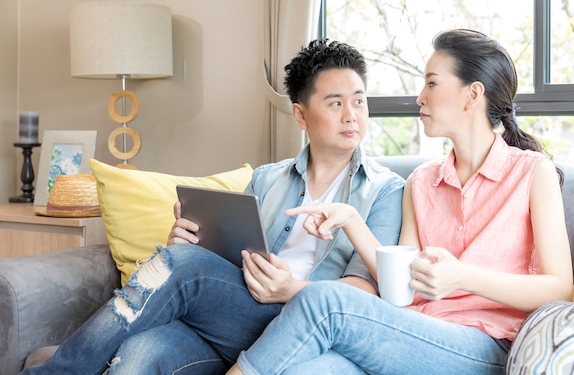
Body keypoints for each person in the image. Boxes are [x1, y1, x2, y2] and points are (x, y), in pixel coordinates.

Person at [20, 38, 405, 375]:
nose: (352, 114)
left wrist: (290, 289)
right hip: (233, 316)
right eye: (335, 102)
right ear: (301, 114)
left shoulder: (386, 190)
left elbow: (366, 290)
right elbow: (227, 260)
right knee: (141, 353)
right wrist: (185, 244)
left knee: (182, 268)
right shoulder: (266, 179)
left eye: (358, 101)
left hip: (299, 324)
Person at [226, 29, 574, 375]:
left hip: (485, 346)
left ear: (473, 95)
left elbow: (559, 288)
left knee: (322, 299)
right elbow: (399, 287)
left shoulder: (533, 173)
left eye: (432, 84)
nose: (420, 98)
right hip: (409, 333)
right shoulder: (422, 181)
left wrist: (462, 277)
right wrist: (350, 219)